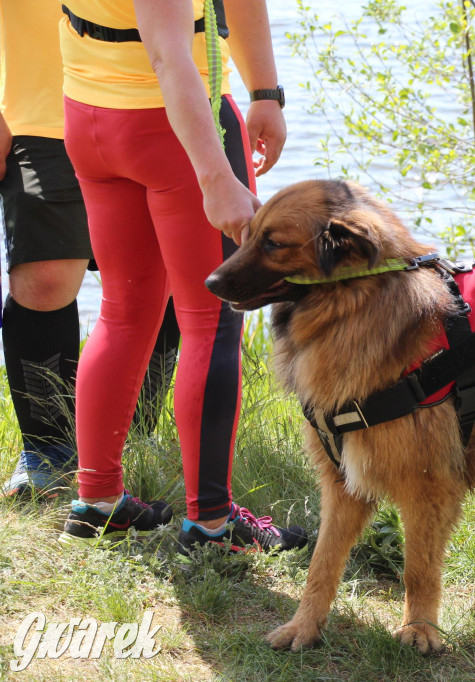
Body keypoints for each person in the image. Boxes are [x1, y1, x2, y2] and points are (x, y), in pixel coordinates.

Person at [57, 0, 306, 553]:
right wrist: (216, 176)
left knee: (122, 311)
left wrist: (265, 92)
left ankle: (97, 503)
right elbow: (170, 57)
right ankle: (213, 525)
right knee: (211, 321)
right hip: (172, 127)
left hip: (89, 114)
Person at [0, 0, 180, 499]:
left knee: (158, 279)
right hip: (37, 115)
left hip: (158, 102)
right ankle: (47, 448)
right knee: (45, 277)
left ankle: (133, 437)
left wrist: (260, 95)